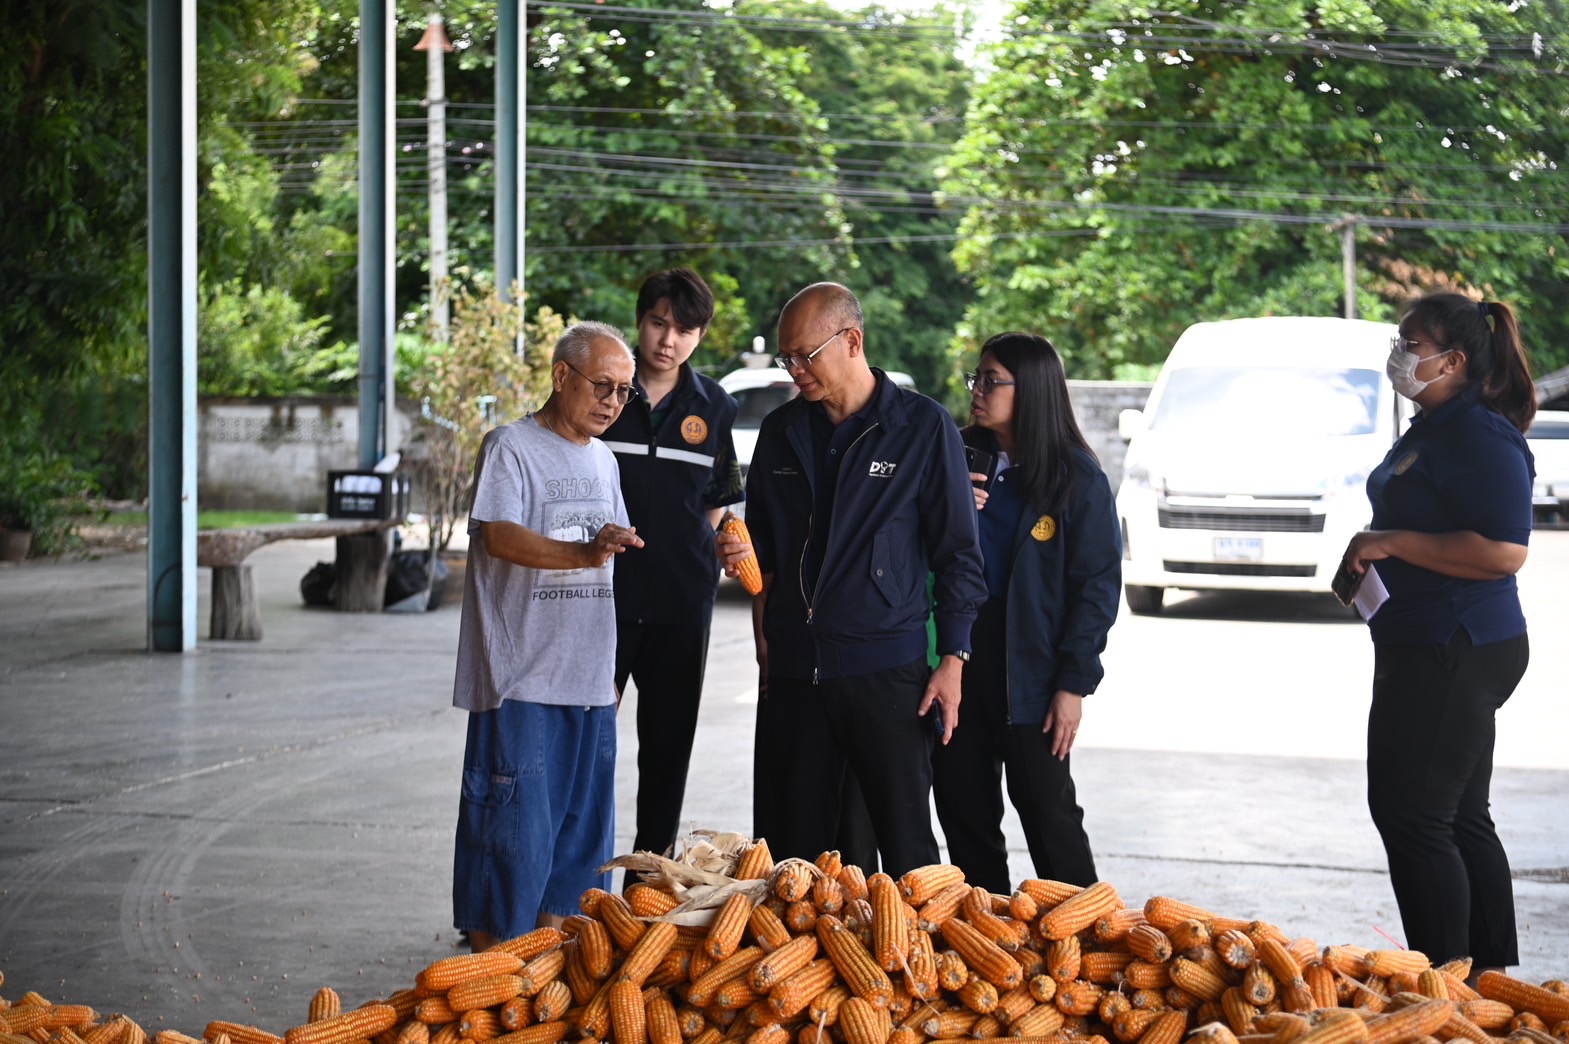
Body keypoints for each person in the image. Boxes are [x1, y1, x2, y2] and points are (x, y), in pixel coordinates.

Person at [717, 282, 986, 877]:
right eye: (786, 357)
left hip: (885, 671)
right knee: (793, 864)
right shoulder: (781, 431)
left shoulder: (922, 428)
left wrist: (953, 659)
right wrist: (735, 553)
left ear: (853, 341)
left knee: (907, 852)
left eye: (804, 356)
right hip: (795, 673)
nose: (793, 371)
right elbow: (762, 551)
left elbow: (959, 555)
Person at [1340, 292, 1535, 974]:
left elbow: (1504, 551)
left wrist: (1388, 541)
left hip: (1455, 644)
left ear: (1453, 360)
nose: (1399, 354)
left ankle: (1443, 983)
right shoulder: (1433, 424)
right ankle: (1487, 981)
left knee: (1412, 815)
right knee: (1456, 815)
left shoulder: (1479, 434)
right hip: (1425, 641)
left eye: (1411, 343)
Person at [450, 321, 644, 952]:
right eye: (603, 385)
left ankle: (547, 982)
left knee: (577, 860)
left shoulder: (605, 460)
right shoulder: (510, 448)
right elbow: (498, 535)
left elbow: (608, 547)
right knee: (510, 846)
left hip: (590, 684)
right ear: (562, 375)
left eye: (624, 391)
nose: (613, 401)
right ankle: (494, 976)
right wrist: (584, 553)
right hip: (522, 682)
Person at [931, 332, 1122, 892]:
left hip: (1034, 671)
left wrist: (1072, 685)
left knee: (1050, 818)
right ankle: (988, 936)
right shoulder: (953, 456)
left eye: (992, 381)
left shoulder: (1076, 478)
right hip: (956, 660)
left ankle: (1086, 931)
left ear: (1032, 389)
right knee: (965, 818)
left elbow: (1096, 591)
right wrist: (944, 509)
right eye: (978, 378)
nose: (977, 390)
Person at [599, 268, 744, 857]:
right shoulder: (602, 389)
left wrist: (702, 552)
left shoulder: (716, 407)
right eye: (659, 323)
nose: (668, 340)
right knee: (585, 742)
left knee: (666, 752)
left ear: (700, 336)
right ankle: (573, 879)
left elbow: (718, 503)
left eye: (685, 330)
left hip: (681, 606)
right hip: (597, 599)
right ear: (639, 321)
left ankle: (643, 886)